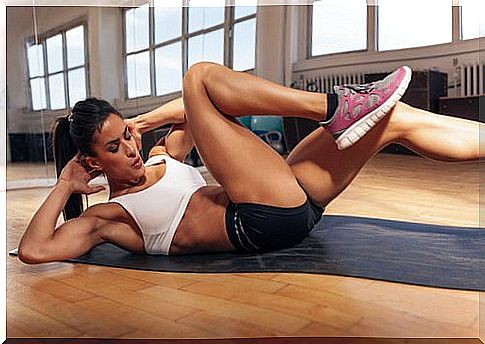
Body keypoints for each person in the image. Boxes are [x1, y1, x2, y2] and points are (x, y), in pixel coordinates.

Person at [17, 63, 481, 263]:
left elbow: (189, 111)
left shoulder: (163, 154)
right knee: (200, 76)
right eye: (115, 148)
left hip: (290, 201)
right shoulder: (108, 217)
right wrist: (64, 184)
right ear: (91, 163)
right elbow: (37, 251)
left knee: (392, 118)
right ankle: (337, 107)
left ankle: (349, 109)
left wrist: (139, 121)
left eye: (128, 137)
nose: (132, 149)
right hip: (257, 221)